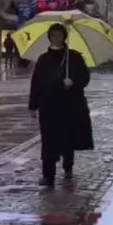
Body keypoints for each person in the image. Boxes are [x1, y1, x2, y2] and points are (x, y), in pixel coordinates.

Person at [28, 23, 94, 188]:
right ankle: (48, 175)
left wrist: (73, 81)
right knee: (48, 140)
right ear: (49, 37)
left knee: (67, 138)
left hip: (69, 105)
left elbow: (85, 77)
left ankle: (68, 167)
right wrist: (33, 105)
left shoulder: (74, 57)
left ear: (64, 37)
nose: (56, 38)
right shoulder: (44, 59)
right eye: (53, 35)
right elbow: (36, 83)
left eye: (59, 35)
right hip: (48, 106)